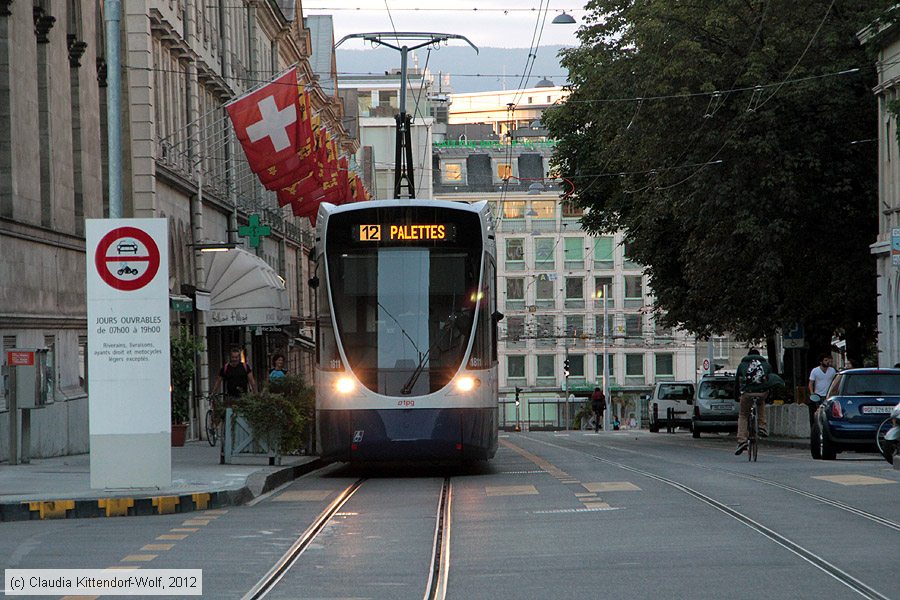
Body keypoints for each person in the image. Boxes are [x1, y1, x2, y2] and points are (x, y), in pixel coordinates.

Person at [734, 348, 772, 455]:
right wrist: (769, 396)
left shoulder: (742, 365)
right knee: (761, 404)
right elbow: (771, 381)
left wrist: (736, 396)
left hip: (747, 393)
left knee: (743, 415)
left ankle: (742, 440)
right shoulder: (766, 365)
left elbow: (737, 382)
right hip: (762, 393)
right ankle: (762, 427)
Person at [808, 354, 836, 427]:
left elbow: (835, 382)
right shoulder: (815, 371)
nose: (827, 362)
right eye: (825, 360)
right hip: (818, 395)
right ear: (821, 362)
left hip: (829, 395)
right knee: (817, 414)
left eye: (828, 360)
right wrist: (812, 393)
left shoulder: (832, 370)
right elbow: (811, 383)